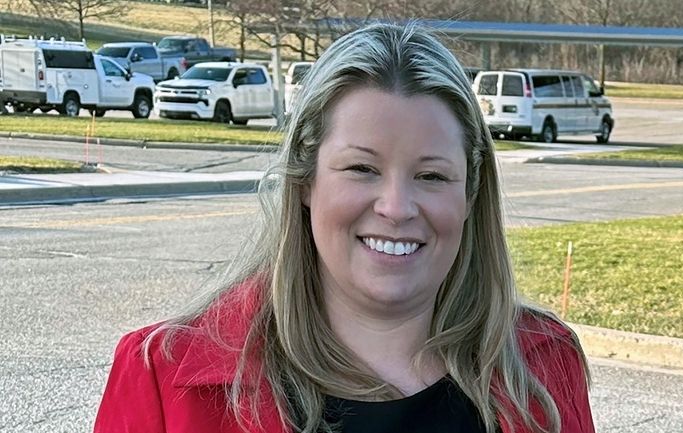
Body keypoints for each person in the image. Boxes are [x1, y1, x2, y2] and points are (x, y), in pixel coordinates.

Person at [93, 23, 594, 433]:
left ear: (470, 195)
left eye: (432, 176)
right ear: (305, 180)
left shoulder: (543, 368)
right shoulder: (163, 377)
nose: (397, 207)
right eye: (362, 168)